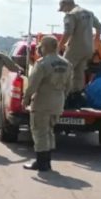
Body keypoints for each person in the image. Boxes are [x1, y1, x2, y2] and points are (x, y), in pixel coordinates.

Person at [23, 37, 72, 171]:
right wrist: (61, 97)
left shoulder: (42, 63)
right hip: (58, 102)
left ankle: (41, 163)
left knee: (39, 131)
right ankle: (47, 161)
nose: (39, 49)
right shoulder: (67, 63)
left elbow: (33, 84)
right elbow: (69, 86)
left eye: (41, 46)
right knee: (49, 131)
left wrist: (26, 98)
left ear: (46, 47)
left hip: (43, 102)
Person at [58, 0, 101, 106]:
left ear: (67, 5)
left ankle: (64, 97)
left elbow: (68, 32)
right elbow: (99, 26)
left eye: (63, 9)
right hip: (88, 48)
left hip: (75, 48)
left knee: (64, 70)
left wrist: (60, 45)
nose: (63, 11)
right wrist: (96, 39)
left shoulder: (71, 15)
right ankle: (77, 96)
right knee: (79, 72)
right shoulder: (89, 13)